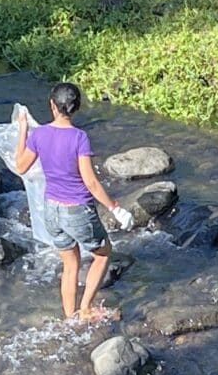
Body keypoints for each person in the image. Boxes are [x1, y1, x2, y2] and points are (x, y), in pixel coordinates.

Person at [9, 83, 134, 323]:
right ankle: (85, 309)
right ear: (76, 108)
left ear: (52, 106)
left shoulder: (40, 134)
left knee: (70, 262)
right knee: (103, 253)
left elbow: (21, 166)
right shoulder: (79, 137)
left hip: (51, 209)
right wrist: (115, 207)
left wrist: (23, 129)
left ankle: (70, 317)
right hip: (76, 208)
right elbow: (91, 182)